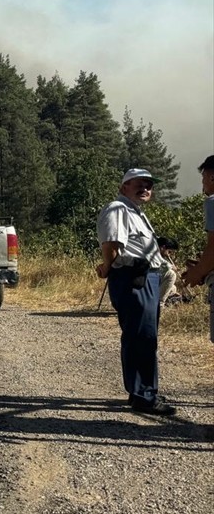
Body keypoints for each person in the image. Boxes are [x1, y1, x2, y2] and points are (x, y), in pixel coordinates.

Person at [96, 168, 175, 416]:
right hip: (133, 277)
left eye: (149, 185)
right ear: (124, 187)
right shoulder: (118, 208)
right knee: (141, 336)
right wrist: (108, 268)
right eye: (138, 184)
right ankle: (143, 395)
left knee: (144, 335)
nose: (145, 188)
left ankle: (143, 391)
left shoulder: (135, 212)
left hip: (145, 277)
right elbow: (111, 244)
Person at [181, 154, 214, 343]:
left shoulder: (212, 202)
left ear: (212, 177)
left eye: (203, 178)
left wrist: (198, 273)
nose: (203, 185)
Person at [156, 236, 186, 307]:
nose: (169, 254)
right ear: (162, 247)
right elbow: (159, 263)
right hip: (144, 279)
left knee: (173, 288)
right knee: (171, 274)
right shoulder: (152, 250)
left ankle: (170, 299)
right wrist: (171, 266)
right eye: (169, 251)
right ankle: (160, 304)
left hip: (154, 280)